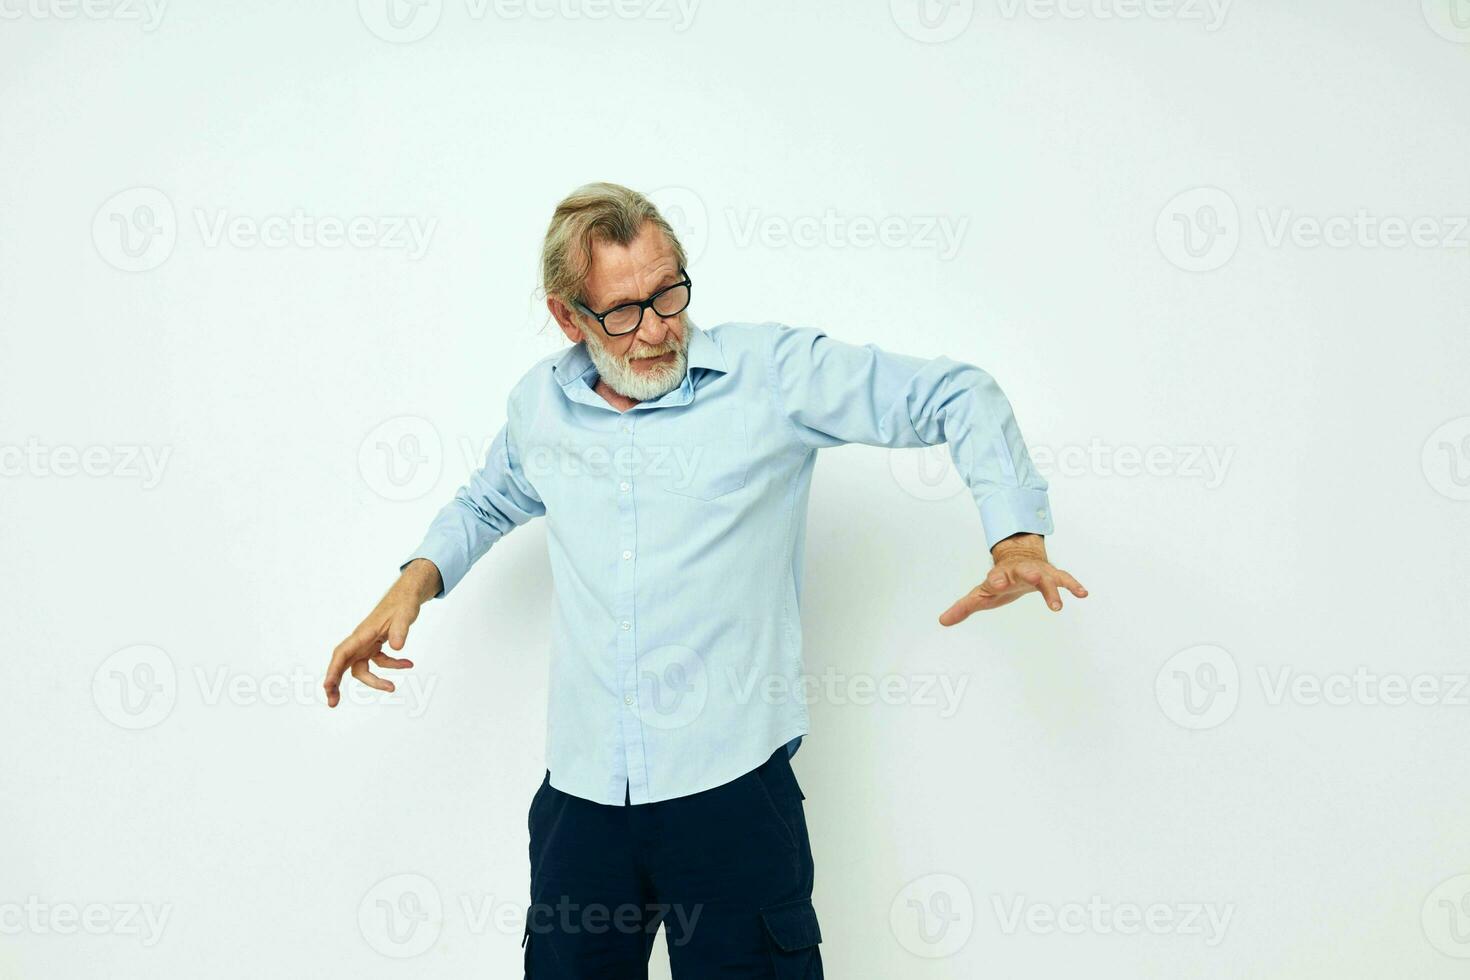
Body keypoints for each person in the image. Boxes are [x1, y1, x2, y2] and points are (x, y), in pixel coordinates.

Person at [323, 181, 1087, 978]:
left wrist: (1015, 536)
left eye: (668, 294)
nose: (656, 329)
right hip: (581, 806)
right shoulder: (539, 409)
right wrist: (414, 581)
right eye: (623, 311)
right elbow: (488, 497)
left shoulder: (772, 376)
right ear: (567, 318)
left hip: (732, 798)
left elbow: (954, 393)